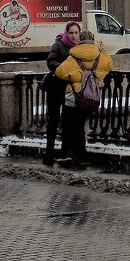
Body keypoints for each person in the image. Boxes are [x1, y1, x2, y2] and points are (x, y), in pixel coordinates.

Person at [54, 30, 113, 169]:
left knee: (67, 127)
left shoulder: (73, 55)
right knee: (80, 127)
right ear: (93, 40)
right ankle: (81, 156)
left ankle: (67, 154)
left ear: (79, 40)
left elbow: (59, 72)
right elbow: (110, 65)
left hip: (72, 96)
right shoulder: (99, 55)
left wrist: (77, 76)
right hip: (89, 97)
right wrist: (103, 50)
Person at [42, 21, 80, 166]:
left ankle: (65, 153)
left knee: (67, 122)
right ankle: (49, 153)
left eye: (76, 33)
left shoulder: (79, 48)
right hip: (56, 88)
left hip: (70, 90)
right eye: (71, 33)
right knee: (53, 121)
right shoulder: (58, 45)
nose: (74, 36)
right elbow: (51, 62)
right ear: (66, 33)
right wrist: (65, 69)